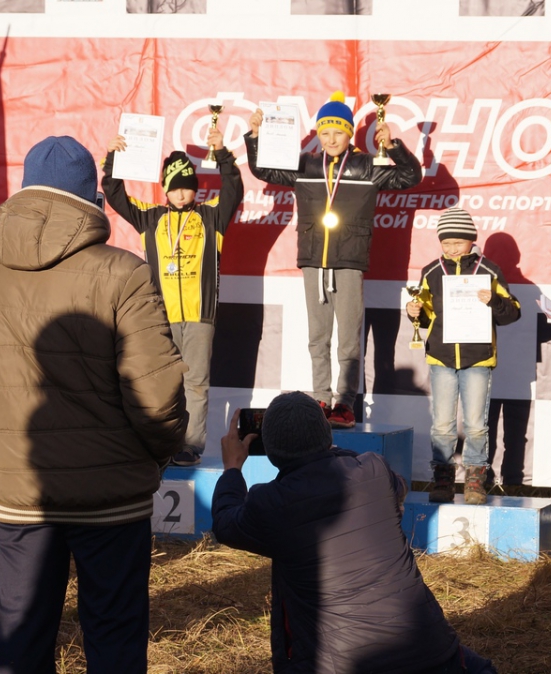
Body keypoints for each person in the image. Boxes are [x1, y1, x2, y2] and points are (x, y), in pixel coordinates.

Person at [0, 136, 187, 673]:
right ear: (93, 198)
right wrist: (159, 453)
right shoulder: (122, 272)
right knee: (114, 637)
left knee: (20, 636)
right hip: (109, 494)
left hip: (18, 490)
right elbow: (156, 393)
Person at [211, 391, 496, 673]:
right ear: (327, 436)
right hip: (431, 653)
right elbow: (397, 489)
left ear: (269, 449)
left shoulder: (269, 503)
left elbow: (225, 524)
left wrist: (232, 469)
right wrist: (329, 451)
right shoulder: (374, 469)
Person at [245, 91, 422, 428]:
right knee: (317, 336)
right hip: (313, 259)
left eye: (337, 132)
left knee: (348, 338)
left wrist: (394, 146)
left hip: (350, 260)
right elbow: (262, 170)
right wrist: (255, 137)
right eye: (324, 133)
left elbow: (411, 177)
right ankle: (321, 399)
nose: (330, 139)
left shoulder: (368, 165)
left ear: (349, 133)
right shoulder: (305, 164)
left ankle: (345, 403)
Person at [101, 124, 244, 466]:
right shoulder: (150, 217)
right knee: (163, 383)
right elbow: (114, 193)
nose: (181, 195)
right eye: (175, 189)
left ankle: (190, 447)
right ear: (165, 189)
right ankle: (160, 442)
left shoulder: (211, 218)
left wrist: (223, 154)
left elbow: (234, 190)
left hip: (199, 316)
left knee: (195, 383)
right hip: (161, 316)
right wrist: (113, 159)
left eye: (187, 188)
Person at [405, 206, 520, 504]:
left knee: (476, 424)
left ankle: (474, 479)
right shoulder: (431, 271)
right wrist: (414, 312)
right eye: (446, 243)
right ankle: (443, 478)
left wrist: (493, 301)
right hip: (441, 358)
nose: (452, 248)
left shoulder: (489, 270)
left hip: (478, 358)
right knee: (442, 424)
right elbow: (427, 316)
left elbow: (513, 313)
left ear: (472, 240)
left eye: (458, 242)